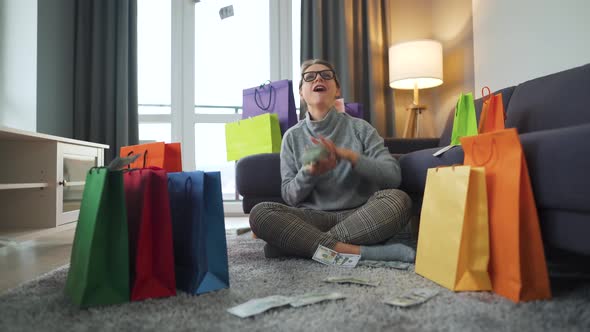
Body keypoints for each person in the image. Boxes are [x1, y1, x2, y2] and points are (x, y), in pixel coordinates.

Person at [249, 59, 415, 262]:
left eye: (326, 75)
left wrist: (350, 157)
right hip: (311, 219)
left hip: (359, 215)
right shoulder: (292, 137)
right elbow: (289, 196)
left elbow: (392, 177)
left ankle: (297, 246)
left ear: (337, 90)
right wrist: (309, 173)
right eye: (310, 77)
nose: (318, 78)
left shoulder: (361, 128)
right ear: (301, 93)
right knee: (260, 213)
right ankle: (361, 252)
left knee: (399, 200)